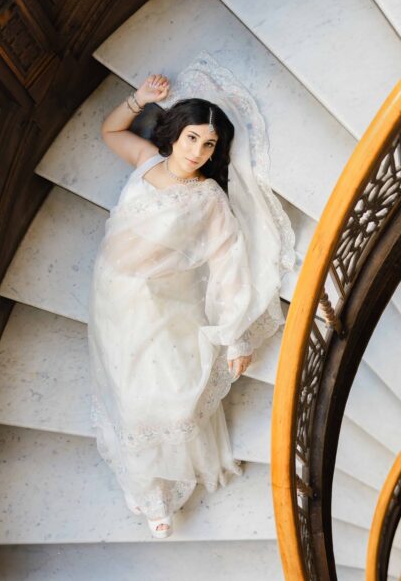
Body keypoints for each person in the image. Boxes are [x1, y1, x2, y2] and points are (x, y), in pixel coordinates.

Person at [88, 55, 294, 538]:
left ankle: (158, 491)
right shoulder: (147, 162)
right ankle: (146, 488)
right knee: (122, 386)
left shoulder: (208, 199)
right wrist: (139, 99)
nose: (199, 151)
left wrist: (236, 336)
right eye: (192, 138)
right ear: (174, 136)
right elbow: (111, 133)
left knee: (163, 398)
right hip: (110, 294)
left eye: (209, 144)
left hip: (159, 305)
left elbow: (226, 265)